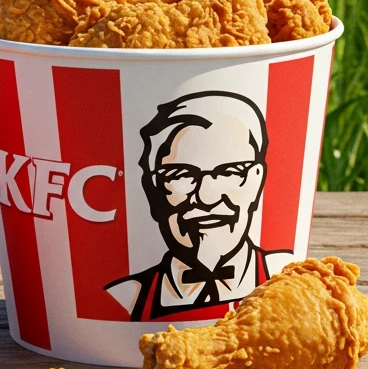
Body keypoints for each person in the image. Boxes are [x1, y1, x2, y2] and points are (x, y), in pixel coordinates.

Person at [106, 91, 292, 321]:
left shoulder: (287, 274)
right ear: (153, 192)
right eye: (181, 175)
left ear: (257, 182)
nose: (207, 197)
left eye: (230, 172)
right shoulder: (124, 296)